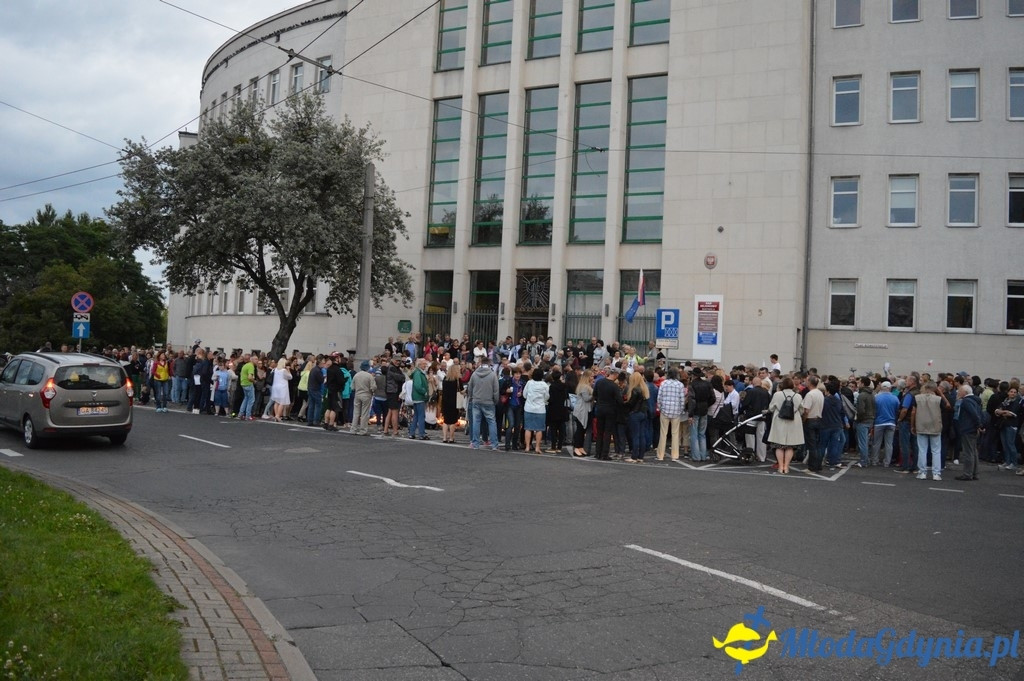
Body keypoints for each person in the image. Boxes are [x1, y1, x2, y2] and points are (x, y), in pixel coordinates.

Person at [767, 377, 804, 474]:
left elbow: (771, 408)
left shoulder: (777, 395)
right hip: (793, 422)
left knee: (779, 446)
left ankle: (780, 466)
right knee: (790, 446)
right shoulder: (798, 396)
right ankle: (786, 467)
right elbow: (802, 410)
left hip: (779, 421)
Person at [913, 381, 947, 481]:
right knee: (936, 451)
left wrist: (913, 425)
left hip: (921, 425)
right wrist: (940, 394)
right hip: (935, 426)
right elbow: (948, 406)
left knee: (922, 450)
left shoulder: (917, 398)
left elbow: (914, 412)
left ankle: (922, 472)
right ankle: (936, 473)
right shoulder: (938, 399)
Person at [466, 356, 500, 450]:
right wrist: (495, 401)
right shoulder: (492, 375)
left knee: (476, 422)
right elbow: (496, 390)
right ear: (489, 364)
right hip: (489, 401)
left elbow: (470, 388)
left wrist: (472, 397)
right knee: (491, 422)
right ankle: (494, 444)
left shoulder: (474, 374)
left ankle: (475, 443)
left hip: (476, 400)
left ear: (480, 363)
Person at [954, 384, 982, 481]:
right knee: (973, 451)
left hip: (967, 428)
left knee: (968, 452)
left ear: (965, 392)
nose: (958, 392)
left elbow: (973, 414)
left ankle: (967, 473)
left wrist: (979, 424)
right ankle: (974, 473)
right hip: (973, 428)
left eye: (960, 391)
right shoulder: (976, 400)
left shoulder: (966, 401)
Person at [656, 368, 685, 461]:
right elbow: (682, 400)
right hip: (676, 411)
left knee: (663, 433)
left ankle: (660, 455)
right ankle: (675, 455)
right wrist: (680, 410)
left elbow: (659, 398)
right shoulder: (680, 385)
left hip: (665, 410)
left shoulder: (663, 383)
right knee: (675, 434)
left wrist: (660, 408)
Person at [592, 369, 622, 461]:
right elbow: (619, 400)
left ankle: (598, 453)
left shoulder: (599, 382)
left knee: (600, 431)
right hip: (610, 410)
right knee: (608, 432)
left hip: (600, 409)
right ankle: (605, 454)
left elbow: (594, 394)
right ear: (615, 374)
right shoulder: (614, 386)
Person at [624, 371, 650, 462]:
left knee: (635, 435)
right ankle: (640, 456)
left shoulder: (634, 390)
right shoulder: (644, 389)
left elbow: (631, 404)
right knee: (641, 435)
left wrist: (624, 404)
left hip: (635, 413)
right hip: (643, 413)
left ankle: (634, 456)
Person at [523, 367, 550, 454]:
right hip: (540, 409)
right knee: (539, 429)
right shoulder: (545, 385)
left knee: (528, 428)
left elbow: (524, 394)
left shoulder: (529, 383)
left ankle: (527, 447)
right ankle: (537, 447)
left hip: (529, 408)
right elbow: (547, 397)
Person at [994, 386, 1022, 472]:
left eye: (1014, 392)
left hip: (1012, 426)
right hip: (1003, 425)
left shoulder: (1017, 402)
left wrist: (1002, 412)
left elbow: (1011, 414)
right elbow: (996, 411)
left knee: (1010, 444)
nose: (1013, 393)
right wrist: (1003, 412)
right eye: (1011, 392)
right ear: (1008, 392)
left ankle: (1014, 463)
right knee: (1004, 444)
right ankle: (1007, 461)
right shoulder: (1005, 401)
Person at [853, 376, 876, 468]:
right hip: (871, 419)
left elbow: (861, 410)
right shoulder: (872, 394)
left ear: (862, 383)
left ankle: (863, 461)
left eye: (859, 383)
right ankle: (866, 459)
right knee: (866, 441)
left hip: (863, 420)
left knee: (862, 442)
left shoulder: (862, 395)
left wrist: (858, 419)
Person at [545, 367, 570, 454]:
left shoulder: (552, 387)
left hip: (553, 409)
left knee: (553, 429)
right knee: (562, 428)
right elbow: (567, 397)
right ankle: (559, 446)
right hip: (563, 409)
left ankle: (553, 446)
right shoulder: (564, 386)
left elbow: (550, 399)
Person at [572, 369, 595, 457]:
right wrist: (594, 395)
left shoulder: (587, 386)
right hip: (581, 411)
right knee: (580, 430)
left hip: (586, 410)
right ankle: (576, 447)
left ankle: (580, 446)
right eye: (591, 376)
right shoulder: (584, 387)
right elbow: (586, 398)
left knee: (583, 430)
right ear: (587, 377)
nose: (593, 378)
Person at [350, 360, 376, 435]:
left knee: (356, 412)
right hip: (366, 395)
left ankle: (353, 429)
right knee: (364, 413)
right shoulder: (369, 376)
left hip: (357, 394)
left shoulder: (356, 375)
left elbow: (352, 387)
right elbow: (373, 387)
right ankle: (363, 430)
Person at [408, 358, 430, 440]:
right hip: (420, 397)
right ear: (420, 364)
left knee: (416, 416)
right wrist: (424, 392)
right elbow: (418, 385)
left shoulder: (417, 372)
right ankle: (421, 433)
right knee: (421, 416)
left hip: (416, 397)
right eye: (424, 364)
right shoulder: (418, 373)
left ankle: (412, 432)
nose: (425, 365)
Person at [384, 358, 405, 437]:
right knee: (394, 412)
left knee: (390, 411)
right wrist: (402, 376)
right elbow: (400, 377)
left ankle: (386, 429)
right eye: (396, 360)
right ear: (392, 360)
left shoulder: (393, 368)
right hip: (393, 392)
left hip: (392, 392)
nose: (398, 362)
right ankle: (395, 431)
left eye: (399, 361)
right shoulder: (392, 368)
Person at [440, 364, 461, 444]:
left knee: (446, 420)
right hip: (454, 401)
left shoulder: (445, 379)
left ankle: (444, 437)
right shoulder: (457, 379)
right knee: (453, 421)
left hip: (445, 401)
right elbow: (461, 390)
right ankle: (451, 438)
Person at [270, 358, 292, 422]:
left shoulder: (275, 369)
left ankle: (276, 415)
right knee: (282, 402)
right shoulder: (283, 370)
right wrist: (288, 370)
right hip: (282, 387)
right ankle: (278, 415)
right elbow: (290, 377)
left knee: (276, 402)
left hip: (275, 386)